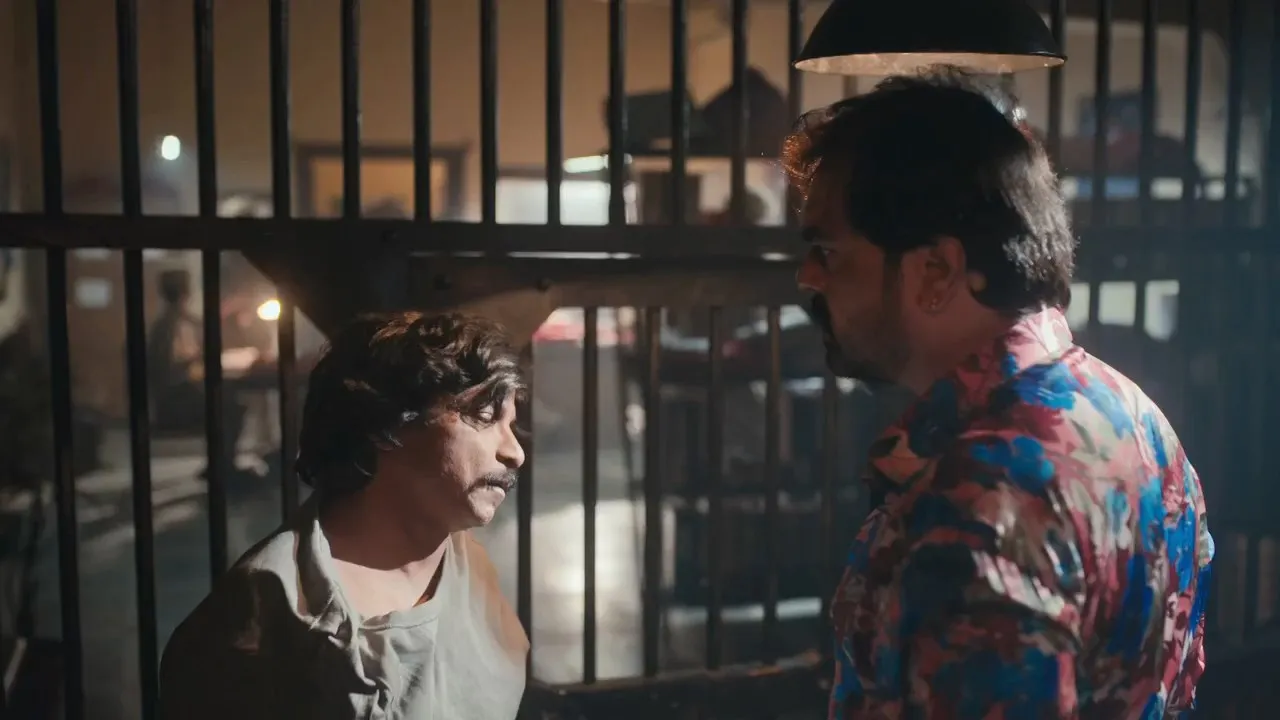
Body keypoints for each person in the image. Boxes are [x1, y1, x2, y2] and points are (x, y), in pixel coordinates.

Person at [784, 68, 1213, 718]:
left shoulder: (979, 499)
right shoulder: (1135, 415)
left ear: (936, 270)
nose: (807, 277)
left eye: (828, 250)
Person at [159, 311, 530, 720]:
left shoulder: (469, 566)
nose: (515, 452)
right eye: (483, 416)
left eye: (511, 424)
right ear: (385, 423)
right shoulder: (264, 620)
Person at [146, 268, 250, 478]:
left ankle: (221, 465)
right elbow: (173, 370)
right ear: (186, 292)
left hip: (178, 394)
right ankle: (222, 467)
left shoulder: (173, 324)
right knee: (228, 404)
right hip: (176, 400)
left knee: (228, 399)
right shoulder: (173, 326)